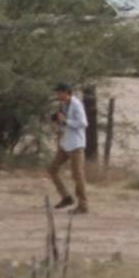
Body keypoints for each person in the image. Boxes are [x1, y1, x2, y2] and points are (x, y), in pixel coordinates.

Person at [48, 82, 89, 214]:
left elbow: (83, 123)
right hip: (65, 143)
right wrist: (57, 119)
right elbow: (63, 121)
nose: (57, 94)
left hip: (76, 144)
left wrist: (66, 121)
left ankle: (83, 206)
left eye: (59, 92)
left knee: (77, 175)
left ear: (66, 92)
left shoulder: (76, 105)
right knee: (52, 169)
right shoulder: (64, 105)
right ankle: (66, 197)